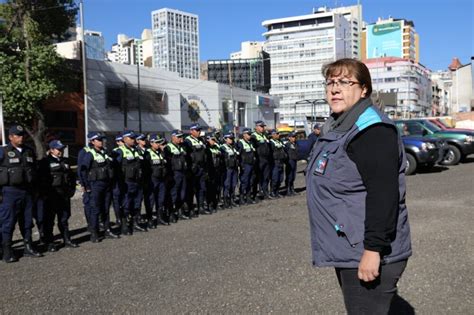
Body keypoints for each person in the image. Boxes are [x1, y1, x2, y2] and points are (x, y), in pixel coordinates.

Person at [306, 58, 412, 314]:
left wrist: (373, 250)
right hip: (350, 245)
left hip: (364, 249)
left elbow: (384, 195)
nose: (334, 88)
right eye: (330, 82)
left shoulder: (371, 130)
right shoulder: (340, 125)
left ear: (364, 89)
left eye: (344, 82)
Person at [0, 125, 42, 262]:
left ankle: (28, 247)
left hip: (27, 192)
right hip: (9, 192)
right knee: (8, 222)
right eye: (17, 135)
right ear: (10, 137)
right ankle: (7, 250)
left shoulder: (29, 151)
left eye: (22, 135)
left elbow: (34, 171)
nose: (21, 137)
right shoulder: (4, 151)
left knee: (27, 221)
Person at [38, 140, 78, 251]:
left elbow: (72, 177)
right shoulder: (44, 162)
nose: (60, 151)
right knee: (49, 220)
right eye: (58, 149)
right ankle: (49, 242)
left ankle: (67, 239)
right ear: (51, 149)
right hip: (51, 195)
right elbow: (41, 180)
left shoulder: (66, 161)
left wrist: (72, 190)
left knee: (64, 218)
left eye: (62, 149)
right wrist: (44, 194)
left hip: (64, 195)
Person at [78, 132, 114, 242]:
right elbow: (82, 170)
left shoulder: (104, 152)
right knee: (95, 209)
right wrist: (85, 185)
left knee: (106, 208)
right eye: (98, 140)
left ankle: (107, 230)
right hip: (95, 185)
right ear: (92, 142)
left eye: (101, 140)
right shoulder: (89, 153)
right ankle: (94, 232)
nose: (101, 141)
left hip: (106, 185)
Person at [115, 130, 146, 235]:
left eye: (134, 138)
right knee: (126, 204)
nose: (133, 140)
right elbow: (116, 168)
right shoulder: (120, 151)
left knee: (136, 204)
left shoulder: (137, 150)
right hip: (126, 182)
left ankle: (135, 223)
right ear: (124, 139)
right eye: (131, 138)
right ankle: (124, 226)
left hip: (137, 181)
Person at [184, 123, 209, 216]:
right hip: (193, 169)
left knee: (201, 188)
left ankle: (201, 207)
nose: (199, 132)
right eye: (197, 130)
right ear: (191, 131)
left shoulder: (201, 140)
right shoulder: (187, 141)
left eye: (199, 130)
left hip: (201, 168)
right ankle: (190, 209)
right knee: (191, 190)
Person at [164, 130, 189, 222]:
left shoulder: (182, 147)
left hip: (183, 173)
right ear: (173, 137)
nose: (180, 139)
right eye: (178, 137)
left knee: (182, 194)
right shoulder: (168, 148)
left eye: (181, 137)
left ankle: (180, 211)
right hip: (174, 174)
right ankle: (171, 213)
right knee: (173, 194)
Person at [145, 134, 169, 227]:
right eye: (157, 142)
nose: (159, 144)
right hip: (152, 180)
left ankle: (160, 218)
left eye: (160, 142)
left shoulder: (161, 153)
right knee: (151, 201)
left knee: (161, 200)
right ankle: (150, 219)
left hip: (161, 180)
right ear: (151, 143)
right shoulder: (147, 153)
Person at [251, 121, 271, 200]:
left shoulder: (264, 135)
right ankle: (255, 195)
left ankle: (265, 192)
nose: (263, 128)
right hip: (259, 159)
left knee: (266, 177)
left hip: (266, 158)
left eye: (263, 126)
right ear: (256, 127)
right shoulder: (253, 136)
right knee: (257, 177)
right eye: (261, 126)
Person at [236, 128, 256, 205]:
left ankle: (248, 197)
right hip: (245, 165)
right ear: (244, 134)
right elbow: (238, 155)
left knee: (250, 182)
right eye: (248, 134)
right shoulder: (240, 143)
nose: (250, 135)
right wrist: (241, 165)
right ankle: (241, 198)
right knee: (244, 182)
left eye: (250, 134)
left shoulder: (250, 143)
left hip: (251, 164)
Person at [205, 134, 223, 213]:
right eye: (212, 140)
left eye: (214, 140)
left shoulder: (216, 147)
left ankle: (216, 203)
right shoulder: (206, 148)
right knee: (209, 189)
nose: (214, 141)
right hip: (210, 171)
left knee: (217, 188)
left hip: (217, 170)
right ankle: (209, 204)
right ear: (208, 140)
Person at [220, 133, 239, 208]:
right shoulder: (223, 147)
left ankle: (232, 200)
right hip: (227, 169)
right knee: (227, 185)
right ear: (225, 139)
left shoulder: (233, 147)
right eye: (230, 138)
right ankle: (225, 201)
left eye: (232, 138)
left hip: (234, 168)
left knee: (233, 185)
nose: (231, 140)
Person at [268, 129, 287, 198]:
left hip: (281, 161)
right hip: (275, 162)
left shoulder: (280, 141)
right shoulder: (271, 142)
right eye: (277, 134)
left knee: (280, 178)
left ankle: (277, 191)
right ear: (273, 135)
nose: (278, 135)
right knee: (275, 178)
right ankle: (272, 192)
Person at [284, 132, 299, 196]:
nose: (294, 138)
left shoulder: (295, 144)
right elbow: (285, 153)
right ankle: (288, 190)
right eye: (292, 137)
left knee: (293, 176)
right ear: (289, 138)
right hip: (289, 161)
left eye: (295, 137)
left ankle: (292, 189)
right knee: (289, 176)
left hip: (294, 161)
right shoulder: (287, 144)